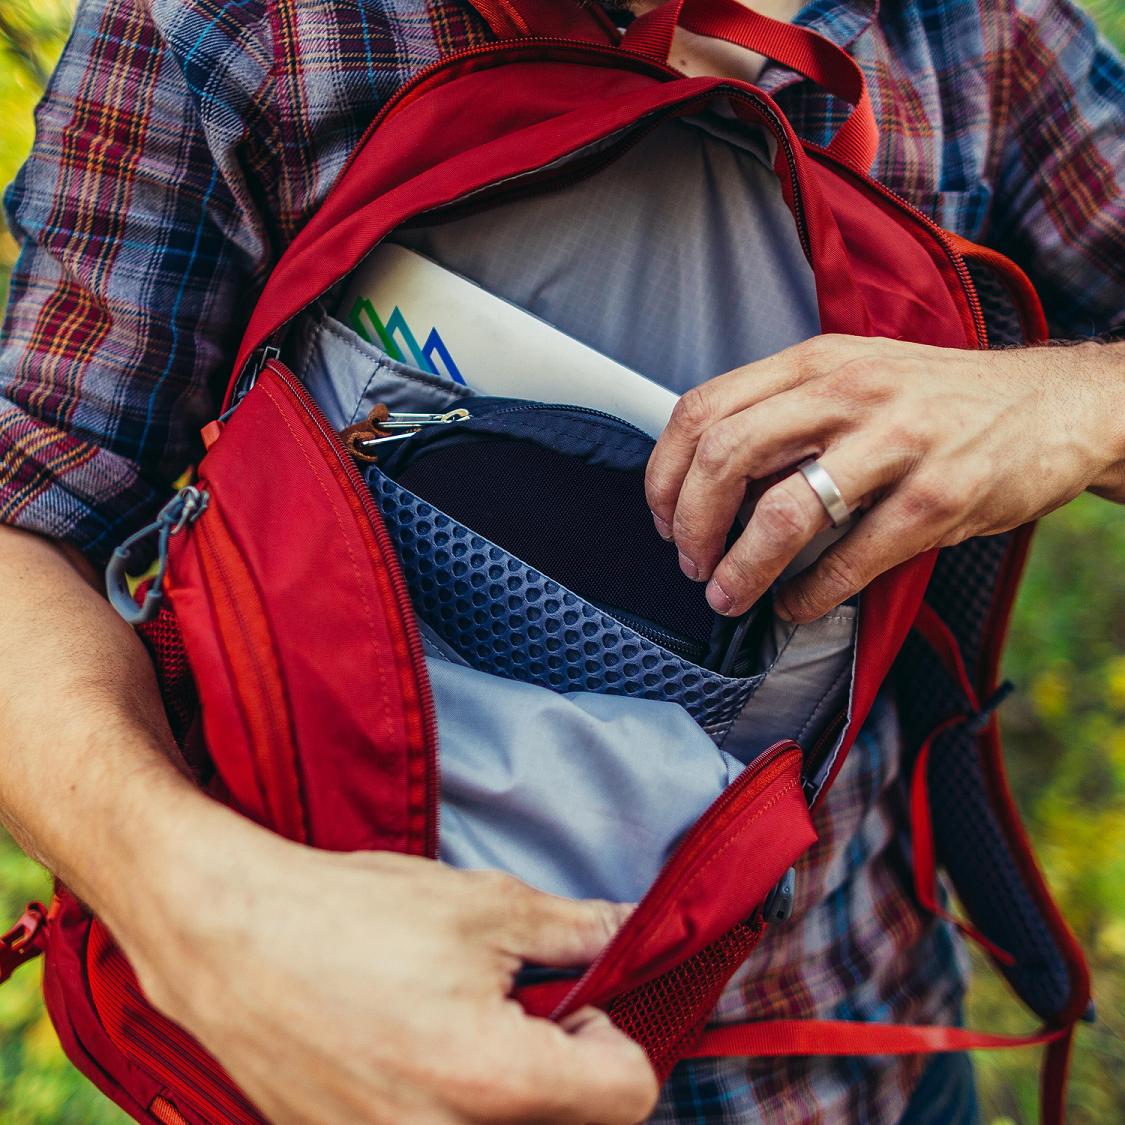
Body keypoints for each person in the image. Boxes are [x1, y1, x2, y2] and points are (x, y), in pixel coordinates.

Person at [0, 0, 1121, 1122]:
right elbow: (34, 510)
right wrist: (195, 899)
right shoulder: (248, 24)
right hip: (331, 1061)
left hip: (849, 1053)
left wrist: (1067, 401)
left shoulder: (973, 32)